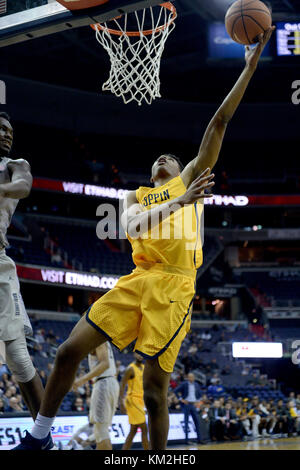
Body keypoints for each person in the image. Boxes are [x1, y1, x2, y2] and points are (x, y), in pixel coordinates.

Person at [12, 28, 275, 451]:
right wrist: (180, 202)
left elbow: (219, 121)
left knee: (155, 391)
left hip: (174, 285)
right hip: (138, 278)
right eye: (159, 158)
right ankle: (39, 436)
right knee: (66, 352)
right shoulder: (133, 195)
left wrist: (248, 69)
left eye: (170, 156)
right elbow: (133, 227)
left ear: (180, 166)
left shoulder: (190, 177)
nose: (163, 158)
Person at [0, 112, 46, 423]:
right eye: (1, 129)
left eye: (10, 131)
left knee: (18, 358)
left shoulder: (14, 165)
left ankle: (43, 437)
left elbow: (23, 186)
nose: (7, 134)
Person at [73, 342, 119, 450]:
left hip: (103, 383)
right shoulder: (103, 339)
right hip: (110, 382)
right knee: (99, 431)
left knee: (101, 430)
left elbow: (105, 364)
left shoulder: (98, 338)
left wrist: (82, 380)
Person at [119, 353, 149, 450]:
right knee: (144, 428)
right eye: (138, 354)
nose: (140, 356)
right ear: (134, 354)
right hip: (132, 400)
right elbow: (122, 385)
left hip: (140, 400)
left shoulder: (144, 368)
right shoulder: (130, 369)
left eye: (142, 354)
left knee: (133, 430)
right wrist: (120, 402)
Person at [174, 372, 204, 445]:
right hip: (186, 404)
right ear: (187, 378)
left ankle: (199, 440)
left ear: (194, 378)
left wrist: (198, 400)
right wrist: (181, 399)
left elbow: (200, 393)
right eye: (189, 377)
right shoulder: (184, 384)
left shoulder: (196, 384)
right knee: (186, 422)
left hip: (193, 404)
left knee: (197, 422)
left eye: (192, 377)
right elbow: (175, 391)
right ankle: (186, 440)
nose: (191, 378)